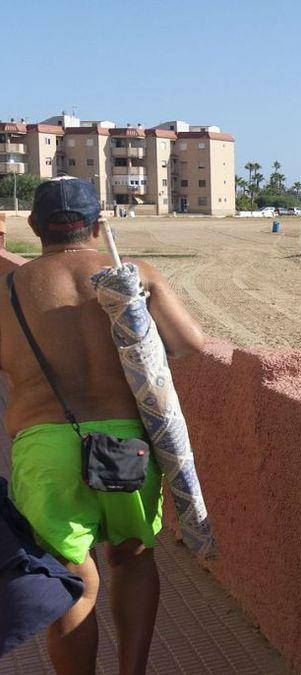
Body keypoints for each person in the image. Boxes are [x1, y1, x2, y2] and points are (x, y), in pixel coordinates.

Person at [0, 177, 205, 674]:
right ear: (97, 225)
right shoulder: (133, 275)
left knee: (67, 576)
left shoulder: (8, 289)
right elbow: (188, 344)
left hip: (46, 448)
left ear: (34, 225)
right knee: (133, 560)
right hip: (128, 445)